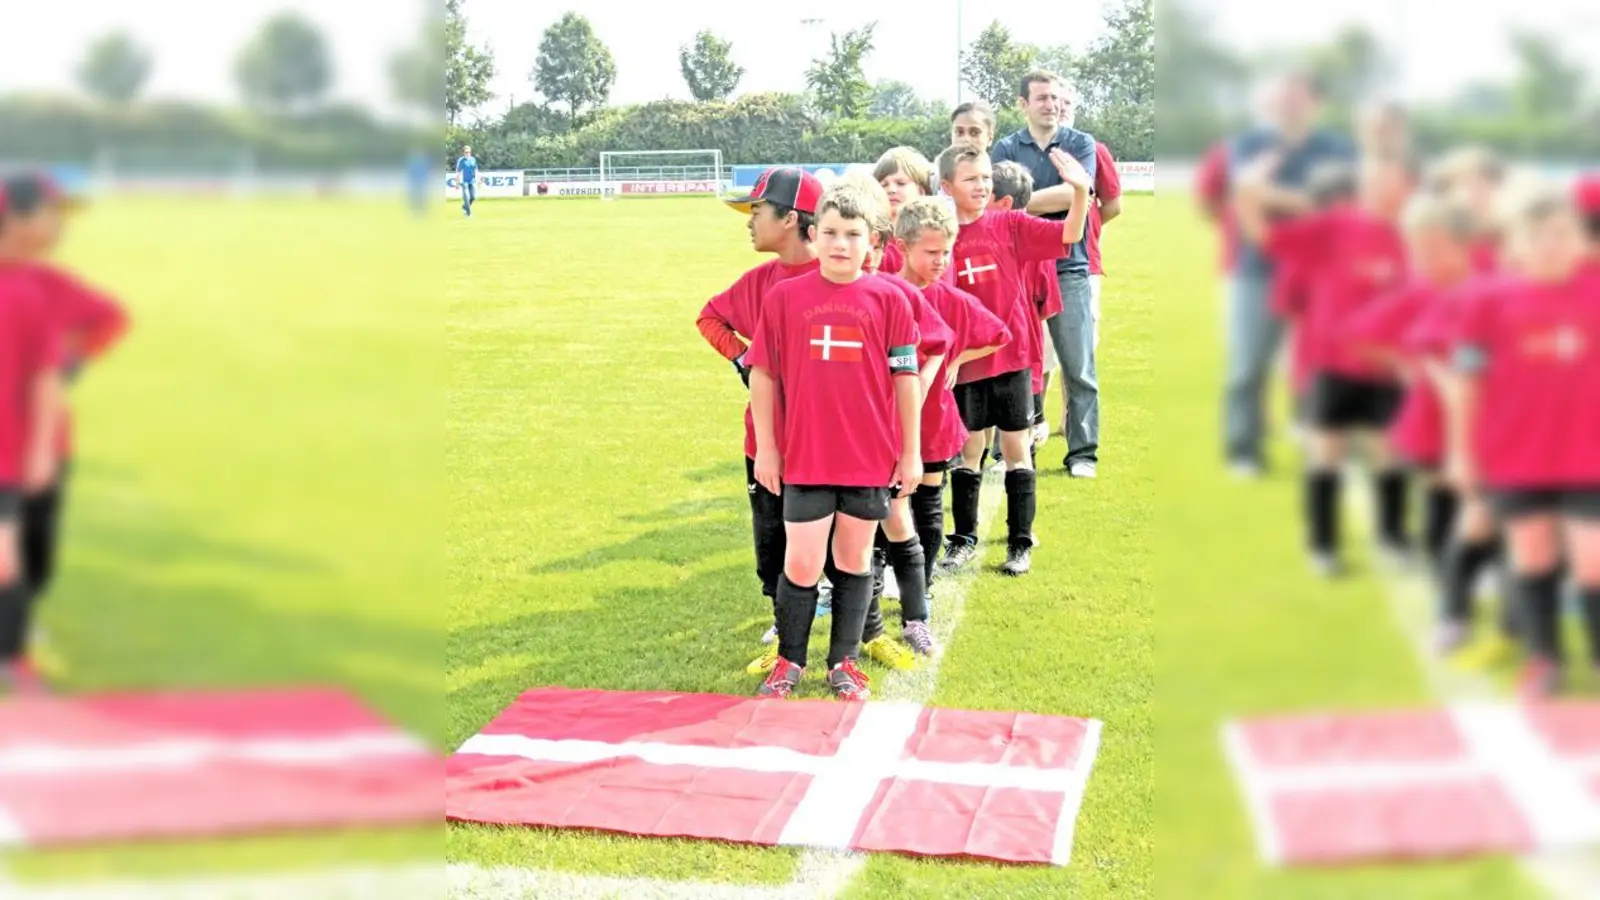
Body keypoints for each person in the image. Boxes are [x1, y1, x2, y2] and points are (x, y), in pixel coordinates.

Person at [746, 184, 923, 700]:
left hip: (868, 459)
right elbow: (763, 375)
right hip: (805, 456)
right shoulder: (784, 298)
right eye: (829, 233)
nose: (840, 243)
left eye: (852, 234)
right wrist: (770, 448)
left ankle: (843, 663)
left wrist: (909, 452)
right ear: (813, 235)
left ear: (874, 244)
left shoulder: (891, 299)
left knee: (854, 560)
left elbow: (905, 381)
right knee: (800, 563)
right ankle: (789, 663)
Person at [1442, 182, 1600, 698]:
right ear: (1513, 245)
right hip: (1516, 453)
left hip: (1589, 452)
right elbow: (1467, 381)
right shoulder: (1484, 300)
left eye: (1561, 233)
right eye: (1537, 236)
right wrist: (1461, 451)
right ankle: (1543, 659)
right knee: (1531, 556)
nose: (1551, 245)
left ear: (1582, 239)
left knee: (1592, 558)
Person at [1239, 152, 1416, 576]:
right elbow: (1265, 237)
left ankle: (1392, 539)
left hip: (1390, 368)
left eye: (1390, 182)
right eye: (1374, 182)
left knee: (1390, 456)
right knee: (1327, 457)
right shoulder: (1334, 228)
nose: (1380, 191)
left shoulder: (1415, 237)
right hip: (1331, 365)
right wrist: (1248, 189)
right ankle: (1324, 546)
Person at [936, 142, 1090, 577]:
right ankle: (962, 538)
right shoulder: (942, 233)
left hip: (1012, 357)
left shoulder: (1010, 224)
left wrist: (1079, 192)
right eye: (971, 178)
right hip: (964, 362)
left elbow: (1069, 234)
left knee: (1016, 449)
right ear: (947, 186)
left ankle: (1020, 541)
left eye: (986, 177)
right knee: (969, 452)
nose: (982, 185)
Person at [0, 173, 128, 685]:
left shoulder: (50, 286)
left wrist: (70, 361)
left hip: (43, 443)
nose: (60, 228)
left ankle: (18, 627)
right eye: (52, 215)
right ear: (16, 217)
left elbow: (112, 319)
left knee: (37, 557)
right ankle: (13, 646)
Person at [695, 168, 824, 667]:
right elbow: (709, 317)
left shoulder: (836, 275)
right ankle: (782, 613)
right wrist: (742, 358)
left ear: (790, 219)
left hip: (829, 438)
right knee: (771, 534)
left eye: (757, 212)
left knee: (837, 535)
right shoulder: (758, 283)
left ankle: (852, 624)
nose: (749, 223)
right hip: (767, 438)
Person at [1222, 72, 1356, 477]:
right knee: (1248, 365)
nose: (1287, 105)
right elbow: (1246, 197)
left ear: (1315, 103)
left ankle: (1317, 436)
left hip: (1323, 275)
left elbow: (1343, 205)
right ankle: (1244, 450)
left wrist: (1270, 195)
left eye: (1296, 98)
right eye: (1281, 98)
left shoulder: (1337, 147)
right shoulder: (1249, 145)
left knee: (1324, 361)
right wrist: (1309, 202)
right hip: (1257, 270)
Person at [894, 196, 1010, 593]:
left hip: (933, 421)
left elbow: (999, 334)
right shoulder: (880, 292)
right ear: (902, 246)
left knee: (927, 499)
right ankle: (880, 579)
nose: (941, 261)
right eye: (931, 252)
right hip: (885, 420)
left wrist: (957, 356)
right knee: (884, 504)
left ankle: (919, 585)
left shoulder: (951, 300)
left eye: (946, 252)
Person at [990, 70, 1101, 478]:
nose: (1050, 104)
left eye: (1055, 98)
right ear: (1023, 103)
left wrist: (1022, 201)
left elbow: (1082, 194)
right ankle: (1014, 450)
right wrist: (1062, 195)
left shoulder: (1079, 143)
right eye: (1041, 98)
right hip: (1019, 269)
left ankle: (1083, 454)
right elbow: (997, 201)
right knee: (1019, 362)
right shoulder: (1005, 146)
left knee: (1078, 366)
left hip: (1069, 266)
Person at [0, 183, 66, 695]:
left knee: (4, 559)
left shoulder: (24, 291)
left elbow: (46, 376)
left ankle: (13, 655)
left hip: (6, 453)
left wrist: (42, 448)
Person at [456, 145, 479, 218]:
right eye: (466, 152)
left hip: (472, 180)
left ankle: (464, 207)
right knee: (466, 197)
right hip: (464, 182)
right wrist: (457, 182)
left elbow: (476, 169)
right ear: (463, 153)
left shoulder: (473, 159)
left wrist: (480, 177)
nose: (468, 153)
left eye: (469, 152)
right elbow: (458, 172)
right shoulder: (461, 161)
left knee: (473, 197)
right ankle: (468, 214)